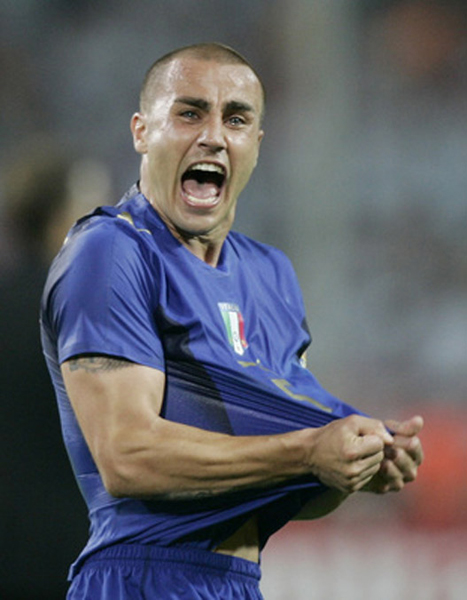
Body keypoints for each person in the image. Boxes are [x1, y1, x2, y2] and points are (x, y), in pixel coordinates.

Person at [40, 43, 424, 600]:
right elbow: (127, 456)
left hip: (238, 584)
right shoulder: (111, 252)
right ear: (142, 131)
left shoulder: (272, 275)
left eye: (236, 119)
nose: (214, 135)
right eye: (190, 112)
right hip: (139, 578)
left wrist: (354, 465)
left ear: (256, 144)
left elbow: (279, 475)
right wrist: (308, 451)